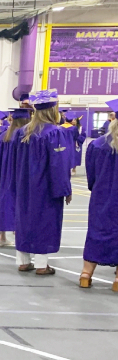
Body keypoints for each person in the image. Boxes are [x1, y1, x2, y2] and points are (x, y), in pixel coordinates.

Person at [12, 89, 73, 276]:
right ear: (53, 109)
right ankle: (41, 265)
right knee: (45, 222)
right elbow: (59, 164)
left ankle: (23, 261)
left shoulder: (22, 132)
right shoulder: (54, 133)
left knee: (24, 220)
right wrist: (65, 189)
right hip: (46, 187)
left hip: (24, 186)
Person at [78, 98, 118, 290]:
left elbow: (91, 176)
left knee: (96, 232)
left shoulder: (97, 144)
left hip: (101, 198)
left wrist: (98, 189)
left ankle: (86, 274)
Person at [0, 108, 31, 247]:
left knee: (3, 203)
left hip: (3, 175)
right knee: (19, 202)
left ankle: (2, 237)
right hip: (18, 174)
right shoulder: (24, 137)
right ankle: (18, 236)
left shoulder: (2, 137)